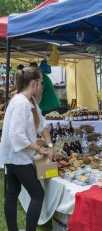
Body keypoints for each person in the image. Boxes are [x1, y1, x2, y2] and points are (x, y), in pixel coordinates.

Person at [0, 67, 56, 231]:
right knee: (38, 195)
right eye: (41, 84)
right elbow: (16, 136)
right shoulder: (21, 103)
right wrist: (40, 149)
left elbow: (43, 126)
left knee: (12, 194)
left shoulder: (29, 101)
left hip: (15, 156)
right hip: (16, 157)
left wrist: (50, 146)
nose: (42, 88)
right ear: (34, 83)